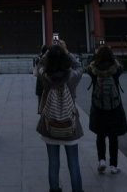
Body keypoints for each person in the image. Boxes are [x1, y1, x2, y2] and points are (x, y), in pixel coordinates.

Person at [36, 44, 84, 192]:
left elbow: (40, 65)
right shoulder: (71, 77)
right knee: (73, 163)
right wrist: (66, 52)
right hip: (70, 125)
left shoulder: (45, 76)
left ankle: (54, 189)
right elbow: (79, 66)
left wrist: (47, 55)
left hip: (50, 124)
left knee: (53, 163)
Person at [87, 45, 127, 175]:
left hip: (98, 107)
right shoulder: (115, 70)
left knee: (100, 135)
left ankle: (101, 160)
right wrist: (113, 58)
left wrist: (95, 59)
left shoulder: (94, 70)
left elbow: (88, 68)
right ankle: (113, 165)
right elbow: (121, 67)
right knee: (113, 137)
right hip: (114, 107)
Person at [33, 44, 49, 112]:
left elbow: (37, 65)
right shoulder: (47, 58)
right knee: (47, 95)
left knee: (40, 95)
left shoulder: (38, 58)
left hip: (40, 79)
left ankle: (40, 109)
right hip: (46, 78)